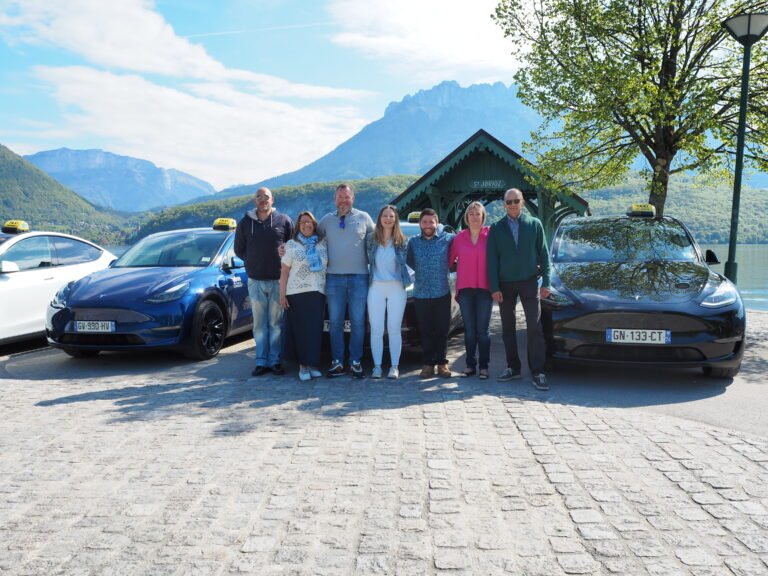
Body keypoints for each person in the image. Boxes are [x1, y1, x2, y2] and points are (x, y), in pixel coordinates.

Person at [487, 188, 552, 391]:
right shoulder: (496, 229)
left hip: (529, 281)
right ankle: (513, 367)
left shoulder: (534, 224)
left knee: (534, 327)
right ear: (504, 205)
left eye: (516, 201)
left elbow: (544, 254)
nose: (513, 204)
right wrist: (494, 287)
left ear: (522, 202)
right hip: (505, 285)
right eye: (509, 202)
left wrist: (547, 283)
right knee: (508, 328)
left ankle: (538, 372)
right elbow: (491, 261)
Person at [234, 187, 293, 377]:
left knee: (276, 324)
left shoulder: (284, 220)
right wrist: (252, 261)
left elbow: (292, 246)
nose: (262, 200)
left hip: (278, 281)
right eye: (259, 197)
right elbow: (239, 249)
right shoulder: (245, 223)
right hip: (255, 281)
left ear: (272, 200)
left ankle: (275, 361)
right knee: (259, 324)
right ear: (255, 201)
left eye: (266, 197)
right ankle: (260, 362)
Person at [317, 184, 375, 378]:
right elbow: (309, 240)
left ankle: (356, 361)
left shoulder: (364, 218)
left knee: (358, 322)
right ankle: (337, 362)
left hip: (360, 278)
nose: (343, 200)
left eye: (347, 197)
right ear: (335, 199)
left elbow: (379, 241)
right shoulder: (326, 221)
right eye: (340, 197)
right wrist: (286, 247)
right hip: (333, 278)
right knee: (335, 322)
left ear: (353, 198)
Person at [406, 208, 456, 379]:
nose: (428, 225)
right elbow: (409, 261)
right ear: (420, 223)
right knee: (425, 331)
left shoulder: (447, 239)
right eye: (425, 222)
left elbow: (465, 242)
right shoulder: (413, 242)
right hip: (421, 294)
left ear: (437, 223)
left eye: (431, 222)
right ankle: (428, 365)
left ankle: (442, 364)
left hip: (442, 292)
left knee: (442, 331)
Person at [279, 211, 328, 382]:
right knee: (299, 331)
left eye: (309, 222)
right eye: (302, 223)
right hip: (296, 293)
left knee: (314, 331)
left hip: (317, 293)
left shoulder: (322, 244)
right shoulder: (291, 245)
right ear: (298, 226)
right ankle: (302, 366)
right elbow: (284, 272)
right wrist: (282, 295)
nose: (306, 225)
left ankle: (312, 364)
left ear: (314, 224)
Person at [366, 205, 410, 380]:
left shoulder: (402, 241)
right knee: (376, 329)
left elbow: (410, 264)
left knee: (394, 329)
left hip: (397, 288)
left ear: (396, 219)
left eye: (392, 216)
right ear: (380, 218)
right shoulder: (370, 240)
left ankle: (394, 366)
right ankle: (377, 366)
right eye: (385, 215)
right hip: (375, 287)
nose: (388, 219)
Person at [449, 201, 492, 379]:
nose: (474, 216)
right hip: (465, 290)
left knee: (483, 331)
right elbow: (448, 261)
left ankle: (484, 366)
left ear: (483, 217)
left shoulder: (491, 235)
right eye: (471, 214)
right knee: (470, 331)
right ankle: (470, 365)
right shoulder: (459, 238)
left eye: (478, 213)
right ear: (466, 217)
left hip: (485, 289)